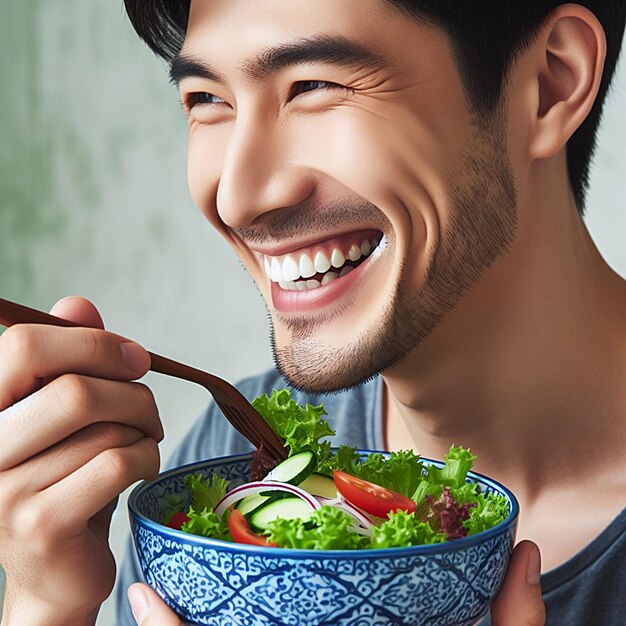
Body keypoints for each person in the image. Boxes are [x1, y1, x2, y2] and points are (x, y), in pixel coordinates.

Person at [0, 0, 624, 624]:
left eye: (314, 86)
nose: (238, 196)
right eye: (206, 98)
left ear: (550, 83)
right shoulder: (215, 499)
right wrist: (46, 605)